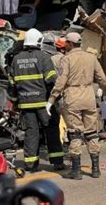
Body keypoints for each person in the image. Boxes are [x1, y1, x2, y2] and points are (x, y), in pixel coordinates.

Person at [46, 32, 106, 180]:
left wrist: (51, 99)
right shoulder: (91, 57)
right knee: (92, 132)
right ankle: (95, 169)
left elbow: (61, 81)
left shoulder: (66, 59)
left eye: (66, 42)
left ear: (70, 44)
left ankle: (76, 171)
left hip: (72, 97)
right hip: (89, 96)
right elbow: (102, 78)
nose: (65, 45)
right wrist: (104, 90)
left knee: (75, 133)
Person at [10, 28, 65, 172]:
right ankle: (58, 162)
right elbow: (51, 80)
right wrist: (56, 97)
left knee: (31, 133)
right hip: (44, 103)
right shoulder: (43, 57)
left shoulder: (16, 59)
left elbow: (13, 84)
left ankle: (30, 164)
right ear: (39, 41)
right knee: (51, 130)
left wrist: (16, 102)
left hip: (25, 104)